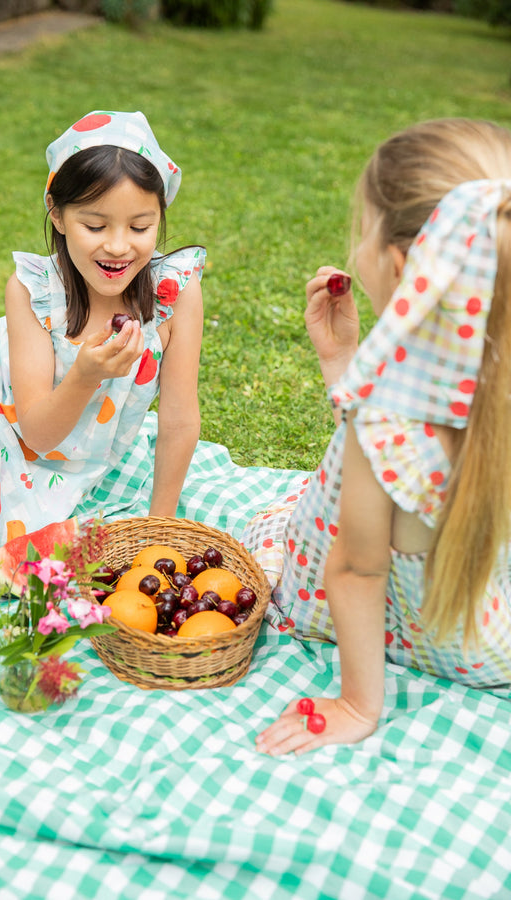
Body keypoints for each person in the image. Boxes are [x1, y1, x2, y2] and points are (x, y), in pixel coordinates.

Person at [247, 118, 511, 755]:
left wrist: (359, 704)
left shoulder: (384, 421)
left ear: (399, 264)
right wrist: (344, 362)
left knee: (266, 531)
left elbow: (358, 570)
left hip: (405, 635)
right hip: (491, 640)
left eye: (363, 228)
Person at [0, 110, 205, 578]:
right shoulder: (34, 291)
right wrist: (85, 376)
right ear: (58, 213)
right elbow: (38, 434)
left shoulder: (175, 292)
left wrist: (158, 528)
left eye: (140, 226)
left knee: (20, 546)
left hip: (70, 461)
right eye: (95, 225)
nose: (118, 246)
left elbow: (180, 419)